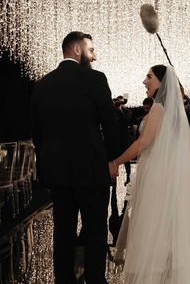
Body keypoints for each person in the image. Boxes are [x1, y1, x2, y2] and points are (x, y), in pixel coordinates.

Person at [30, 31, 120, 284]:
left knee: (63, 231)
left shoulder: (42, 84)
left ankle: (64, 279)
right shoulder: (95, 79)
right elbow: (110, 124)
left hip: (58, 172)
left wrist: (48, 161)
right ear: (77, 50)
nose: (94, 55)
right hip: (92, 170)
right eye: (91, 49)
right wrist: (114, 159)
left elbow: (37, 132)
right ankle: (94, 279)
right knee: (95, 230)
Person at [109, 65, 190, 283]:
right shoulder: (175, 111)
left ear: (162, 83)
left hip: (157, 176)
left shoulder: (159, 108)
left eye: (149, 77)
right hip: (167, 173)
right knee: (165, 228)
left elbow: (143, 142)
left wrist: (116, 161)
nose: (145, 81)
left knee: (153, 227)